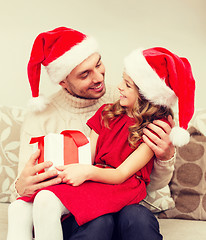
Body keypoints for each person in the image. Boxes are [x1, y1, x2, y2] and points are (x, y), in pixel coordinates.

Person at [8, 27, 178, 240]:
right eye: (84, 74)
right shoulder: (45, 117)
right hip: (85, 197)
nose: (99, 78)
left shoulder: (137, 103)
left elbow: (147, 180)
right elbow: (85, 158)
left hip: (127, 197)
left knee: (137, 218)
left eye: (98, 64)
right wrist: (22, 186)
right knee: (98, 222)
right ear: (63, 81)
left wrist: (165, 156)